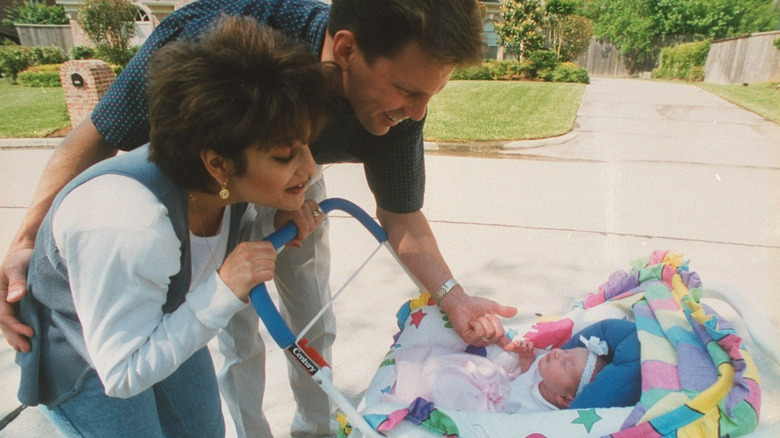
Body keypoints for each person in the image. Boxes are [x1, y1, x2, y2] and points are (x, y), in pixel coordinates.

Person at [1, 0, 518, 436]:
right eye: (409, 92)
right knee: (231, 328)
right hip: (173, 205)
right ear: (344, 51)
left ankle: (315, 426)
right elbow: (97, 136)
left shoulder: (375, 115)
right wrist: (24, 242)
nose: (420, 112)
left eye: (430, 94)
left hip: (230, 188)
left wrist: (454, 295)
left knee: (301, 314)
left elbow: (401, 213)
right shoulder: (207, 48)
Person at [15, 15, 334, 436]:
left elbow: (204, 252)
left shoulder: (223, 186)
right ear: (217, 163)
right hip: (88, 355)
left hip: (166, 310)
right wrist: (223, 290)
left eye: (306, 147)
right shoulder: (130, 224)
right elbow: (123, 373)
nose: (309, 168)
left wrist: (271, 227)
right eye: (284, 155)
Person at [388, 330, 609, 413]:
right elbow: (524, 378)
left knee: (448, 386)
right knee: (463, 367)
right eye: (568, 351)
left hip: (488, 411)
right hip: (497, 384)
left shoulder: (540, 413)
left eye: (566, 364)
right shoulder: (545, 374)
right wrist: (525, 360)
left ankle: (410, 401)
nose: (559, 353)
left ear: (564, 399)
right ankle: (416, 372)